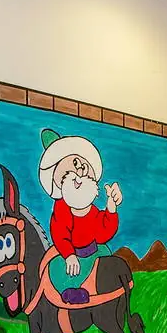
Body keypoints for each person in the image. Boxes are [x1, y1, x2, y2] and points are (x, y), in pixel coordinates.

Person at [37, 129, 121, 305]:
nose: (80, 171)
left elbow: (102, 234)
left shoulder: (93, 210)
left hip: (94, 251)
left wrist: (111, 208)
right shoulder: (61, 209)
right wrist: (69, 255)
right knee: (58, 269)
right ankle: (73, 291)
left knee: (107, 258)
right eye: (73, 166)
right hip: (72, 254)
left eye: (82, 165)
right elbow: (60, 234)